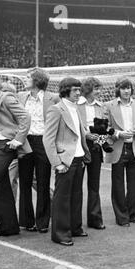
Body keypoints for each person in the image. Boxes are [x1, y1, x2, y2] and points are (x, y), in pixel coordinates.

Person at [43, 77, 91, 246]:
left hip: (78, 158)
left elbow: (80, 134)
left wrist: (85, 153)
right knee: (62, 198)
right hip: (65, 160)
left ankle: (75, 227)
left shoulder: (75, 108)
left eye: (79, 89)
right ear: (65, 91)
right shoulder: (56, 109)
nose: (78, 93)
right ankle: (60, 233)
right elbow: (48, 139)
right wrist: (57, 163)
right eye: (75, 90)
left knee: (77, 195)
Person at [0, 71, 31, 241]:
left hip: (4, 145)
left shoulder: (5, 97)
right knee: (3, 185)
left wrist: (18, 140)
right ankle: (9, 227)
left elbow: (25, 117)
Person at [17, 68, 60, 233]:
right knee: (25, 182)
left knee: (43, 182)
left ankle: (42, 222)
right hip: (25, 141)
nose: (25, 80)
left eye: (28, 77)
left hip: (44, 142)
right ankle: (26, 221)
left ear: (37, 80)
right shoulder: (20, 97)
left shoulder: (53, 98)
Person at [105, 77, 135, 227]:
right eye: (123, 88)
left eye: (128, 88)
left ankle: (132, 215)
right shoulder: (109, 106)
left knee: (134, 184)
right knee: (118, 184)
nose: (126, 91)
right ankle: (121, 217)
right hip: (118, 148)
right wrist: (118, 134)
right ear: (118, 90)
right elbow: (105, 126)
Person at [77, 77, 107, 230]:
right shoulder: (77, 104)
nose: (99, 91)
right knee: (77, 185)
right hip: (80, 146)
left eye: (99, 88)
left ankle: (95, 219)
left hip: (95, 147)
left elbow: (102, 128)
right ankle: (75, 221)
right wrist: (86, 135)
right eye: (96, 88)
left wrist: (100, 139)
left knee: (94, 184)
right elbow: (74, 125)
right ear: (88, 89)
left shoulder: (101, 107)